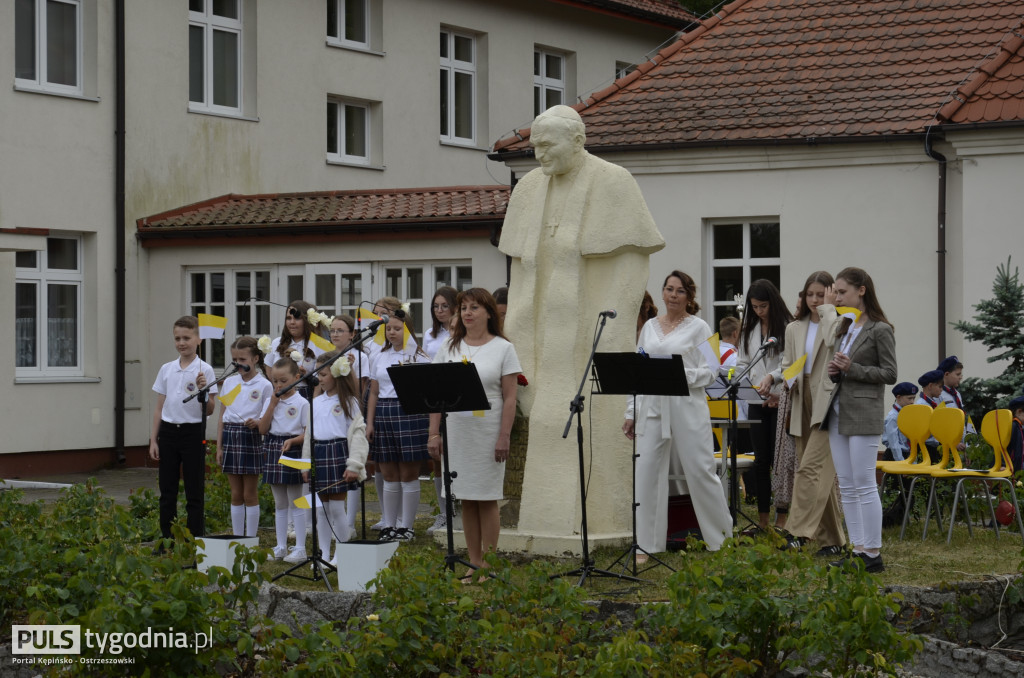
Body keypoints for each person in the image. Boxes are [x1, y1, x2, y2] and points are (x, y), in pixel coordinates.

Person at [499, 105, 665, 540]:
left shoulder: (613, 181)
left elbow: (630, 269)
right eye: (533, 146)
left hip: (589, 332)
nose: (538, 156)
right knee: (546, 418)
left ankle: (600, 522)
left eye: (547, 145)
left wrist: (612, 327)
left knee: (593, 427)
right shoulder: (530, 188)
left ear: (578, 141)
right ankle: (546, 521)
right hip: (537, 331)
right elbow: (520, 270)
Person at [623, 271, 732, 558]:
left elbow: (713, 371)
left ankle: (722, 541)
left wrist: (679, 375)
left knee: (700, 471)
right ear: (663, 293)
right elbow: (638, 371)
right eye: (669, 289)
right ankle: (647, 544)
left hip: (687, 406)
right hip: (653, 408)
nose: (673, 295)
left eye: (679, 291)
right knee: (646, 473)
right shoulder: (649, 327)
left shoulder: (700, 327)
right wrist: (631, 411)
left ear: (689, 296)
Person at [428, 288, 521, 580]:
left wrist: (504, 435)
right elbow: (436, 393)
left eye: (474, 308)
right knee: (465, 497)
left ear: (489, 313)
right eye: (464, 308)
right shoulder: (449, 348)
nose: (467, 313)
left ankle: (489, 565)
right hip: (458, 431)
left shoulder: (504, 348)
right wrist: (434, 433)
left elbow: (509, 397)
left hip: (488, 431)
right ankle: (473, 561)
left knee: (486, 496)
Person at [821, 267, 897, 573]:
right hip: (839, 410)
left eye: (842, 292)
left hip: (864, 412)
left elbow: (889, 374)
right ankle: (857, 548)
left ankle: (873, 553)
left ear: (861, 290)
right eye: (836, 292)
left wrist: (852, 369)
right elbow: (845, 368)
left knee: (864, 484)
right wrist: (836, 371)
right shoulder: (846, 325)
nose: (837, 297)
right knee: (847, 485)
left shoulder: (880, 329)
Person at [777, 272, 846, 556]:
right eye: (810, 295)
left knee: (810, 469)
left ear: (830, 294)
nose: (815, 300)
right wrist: (782, 378)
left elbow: (833, 342)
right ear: (803, 297)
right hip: (800, 399)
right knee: (819, 476)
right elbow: (788, 363)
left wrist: (830, 309)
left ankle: (796, 532)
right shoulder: (794, 328)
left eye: (821, 294)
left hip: (828, 402)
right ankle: (833, 542)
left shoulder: (840, 322)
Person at [150, 315, 217, 541]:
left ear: (198, 339)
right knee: (167, 490)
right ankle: (167, 538)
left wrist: (203, 391)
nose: (182, 342)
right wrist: (154, 439)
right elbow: (160, 407)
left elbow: (209, 410)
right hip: (169, 433)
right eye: (177, 338)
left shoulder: (204, 370)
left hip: (193, 433)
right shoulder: (166, 369)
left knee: (194, 490)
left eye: (187, 338)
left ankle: (195, 538)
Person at [366, 309, 430, 541]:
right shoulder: (379, 356)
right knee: (389, 473)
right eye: (388, 329)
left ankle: (407, 526)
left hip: (409, 413)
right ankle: (389, 525)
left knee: (408, 472)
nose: (392, 333)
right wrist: (370, 422)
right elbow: (373, 392)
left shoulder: (419, 358)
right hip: (384, 412)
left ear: (407, 330)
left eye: (397, 328)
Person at [736, 279, 793, 534]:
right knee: (761, 461)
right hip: (758, 402)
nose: (759, 311)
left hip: (781, 402)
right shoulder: (748, 331)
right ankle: (762, 521)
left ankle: (782, 520)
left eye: (763, 306)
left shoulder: (789, 328)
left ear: (774, 302)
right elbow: (742, 365)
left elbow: (790, 365)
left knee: (780, 462)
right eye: (755, 307)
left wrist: (776, 389)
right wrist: (751, 391)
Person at [309, 351, 368, 565]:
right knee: (321, 509)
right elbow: (309, 434)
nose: (319, 378)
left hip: (338, 453)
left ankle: (342, 553)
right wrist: (307, 463)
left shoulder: (349, 402)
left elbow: (359, 436)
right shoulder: (315, 402)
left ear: (336, 375)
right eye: (318, 374)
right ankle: (324, 553)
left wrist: (354, 464)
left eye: (323, 374)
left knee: (335, 507)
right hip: (320, 454)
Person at [216, 336, 272, 537]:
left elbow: (266, 417)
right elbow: (222, 416)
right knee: (236, 494)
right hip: (231, 436)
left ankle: (250, 538)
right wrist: (219, 446)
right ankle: (237, 536)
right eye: (235, 360)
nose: (238, 364)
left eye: (243, 360)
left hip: (250, 436)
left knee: (249, 493)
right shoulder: (230, 382)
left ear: (256, 358)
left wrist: (256, 422)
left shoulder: (264, 385)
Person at [259, 358, 309, 563]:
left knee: (296, 500)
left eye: (283, 381)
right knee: (279, 502)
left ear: (296, 378)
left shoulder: (302, 402)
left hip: (294, 449)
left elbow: (308, 432)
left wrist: (293, 440)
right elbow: (262, 429)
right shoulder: (271, 400)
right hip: (273, 447)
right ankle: (280, 546)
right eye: (274, 381)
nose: (278, 386)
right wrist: (272, 404)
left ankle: (300, 548)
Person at [329, 313, 371, 534]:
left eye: (340, 331)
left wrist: (351, 368)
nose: (335, 334)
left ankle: (351, 522)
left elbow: (359, 391)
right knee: (335, 468)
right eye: (332, 330)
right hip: (330, 413)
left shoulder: (360, 357)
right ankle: (335, 519)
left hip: (350, 411)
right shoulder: (327, 355)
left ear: (352, 334)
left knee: (352, 463)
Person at [423, 286, 458, 535]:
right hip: (437, 398)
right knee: (438, 459)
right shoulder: (430, 334)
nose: (440, 310)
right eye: (436, 306)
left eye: (445, 305)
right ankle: (444, 512)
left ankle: (459, 510)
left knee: (457, 458)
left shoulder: (461, 332)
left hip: (457, 397)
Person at [270, 301, 330, 397]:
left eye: (297, 318)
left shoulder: (321, 344)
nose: (292, 322)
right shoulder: (277, 342)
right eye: (289, 318)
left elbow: (322, 379)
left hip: (307, 393)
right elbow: (269, 369)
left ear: (307, 320)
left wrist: (305, 375)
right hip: (280, 393)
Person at [882, 382, 919, 462]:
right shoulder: (893, 417)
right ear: (898, 397)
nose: (912, 402)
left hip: (907, 454)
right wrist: (901, 462)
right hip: (894, 456)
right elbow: (894, 443)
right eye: (909, 398)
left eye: (914, 398)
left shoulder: (907, 414)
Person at [915, 369, 945, 462]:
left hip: (934, 447)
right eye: (939, 386)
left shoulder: (934, 403)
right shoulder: (921, 406)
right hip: (924, 447)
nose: (941, 390)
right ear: (930, 386)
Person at [1008, 395, 1024, 474]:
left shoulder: (1019, 427)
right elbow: (1003, 446)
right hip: (1010, 467)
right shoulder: (1013, 426)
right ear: (1019, 412)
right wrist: (1003, 464)